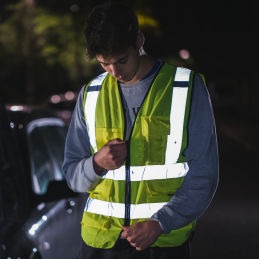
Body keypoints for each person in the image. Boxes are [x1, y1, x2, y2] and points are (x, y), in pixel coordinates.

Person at [62, 2, 219, 259]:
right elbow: (72, 176)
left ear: (139, 40)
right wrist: (96, 164)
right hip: (99, 245)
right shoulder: (90, 94)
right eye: (104, 64)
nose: (115, 72)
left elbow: (204, 175)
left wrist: (161, 222)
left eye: (121, 60)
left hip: (163, 243)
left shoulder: (187, 88)